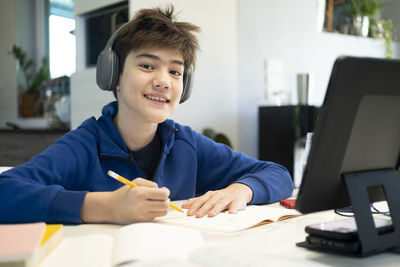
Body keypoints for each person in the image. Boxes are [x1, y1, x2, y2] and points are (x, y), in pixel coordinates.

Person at [0, 5, 293, 224]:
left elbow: (278, 174)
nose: (164, 81)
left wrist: (243, 189)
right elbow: (5, 192)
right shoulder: (86, 144)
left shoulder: (185, 143)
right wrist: (106, 206)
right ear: (113, 75)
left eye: (175, 71)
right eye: (147, 66)